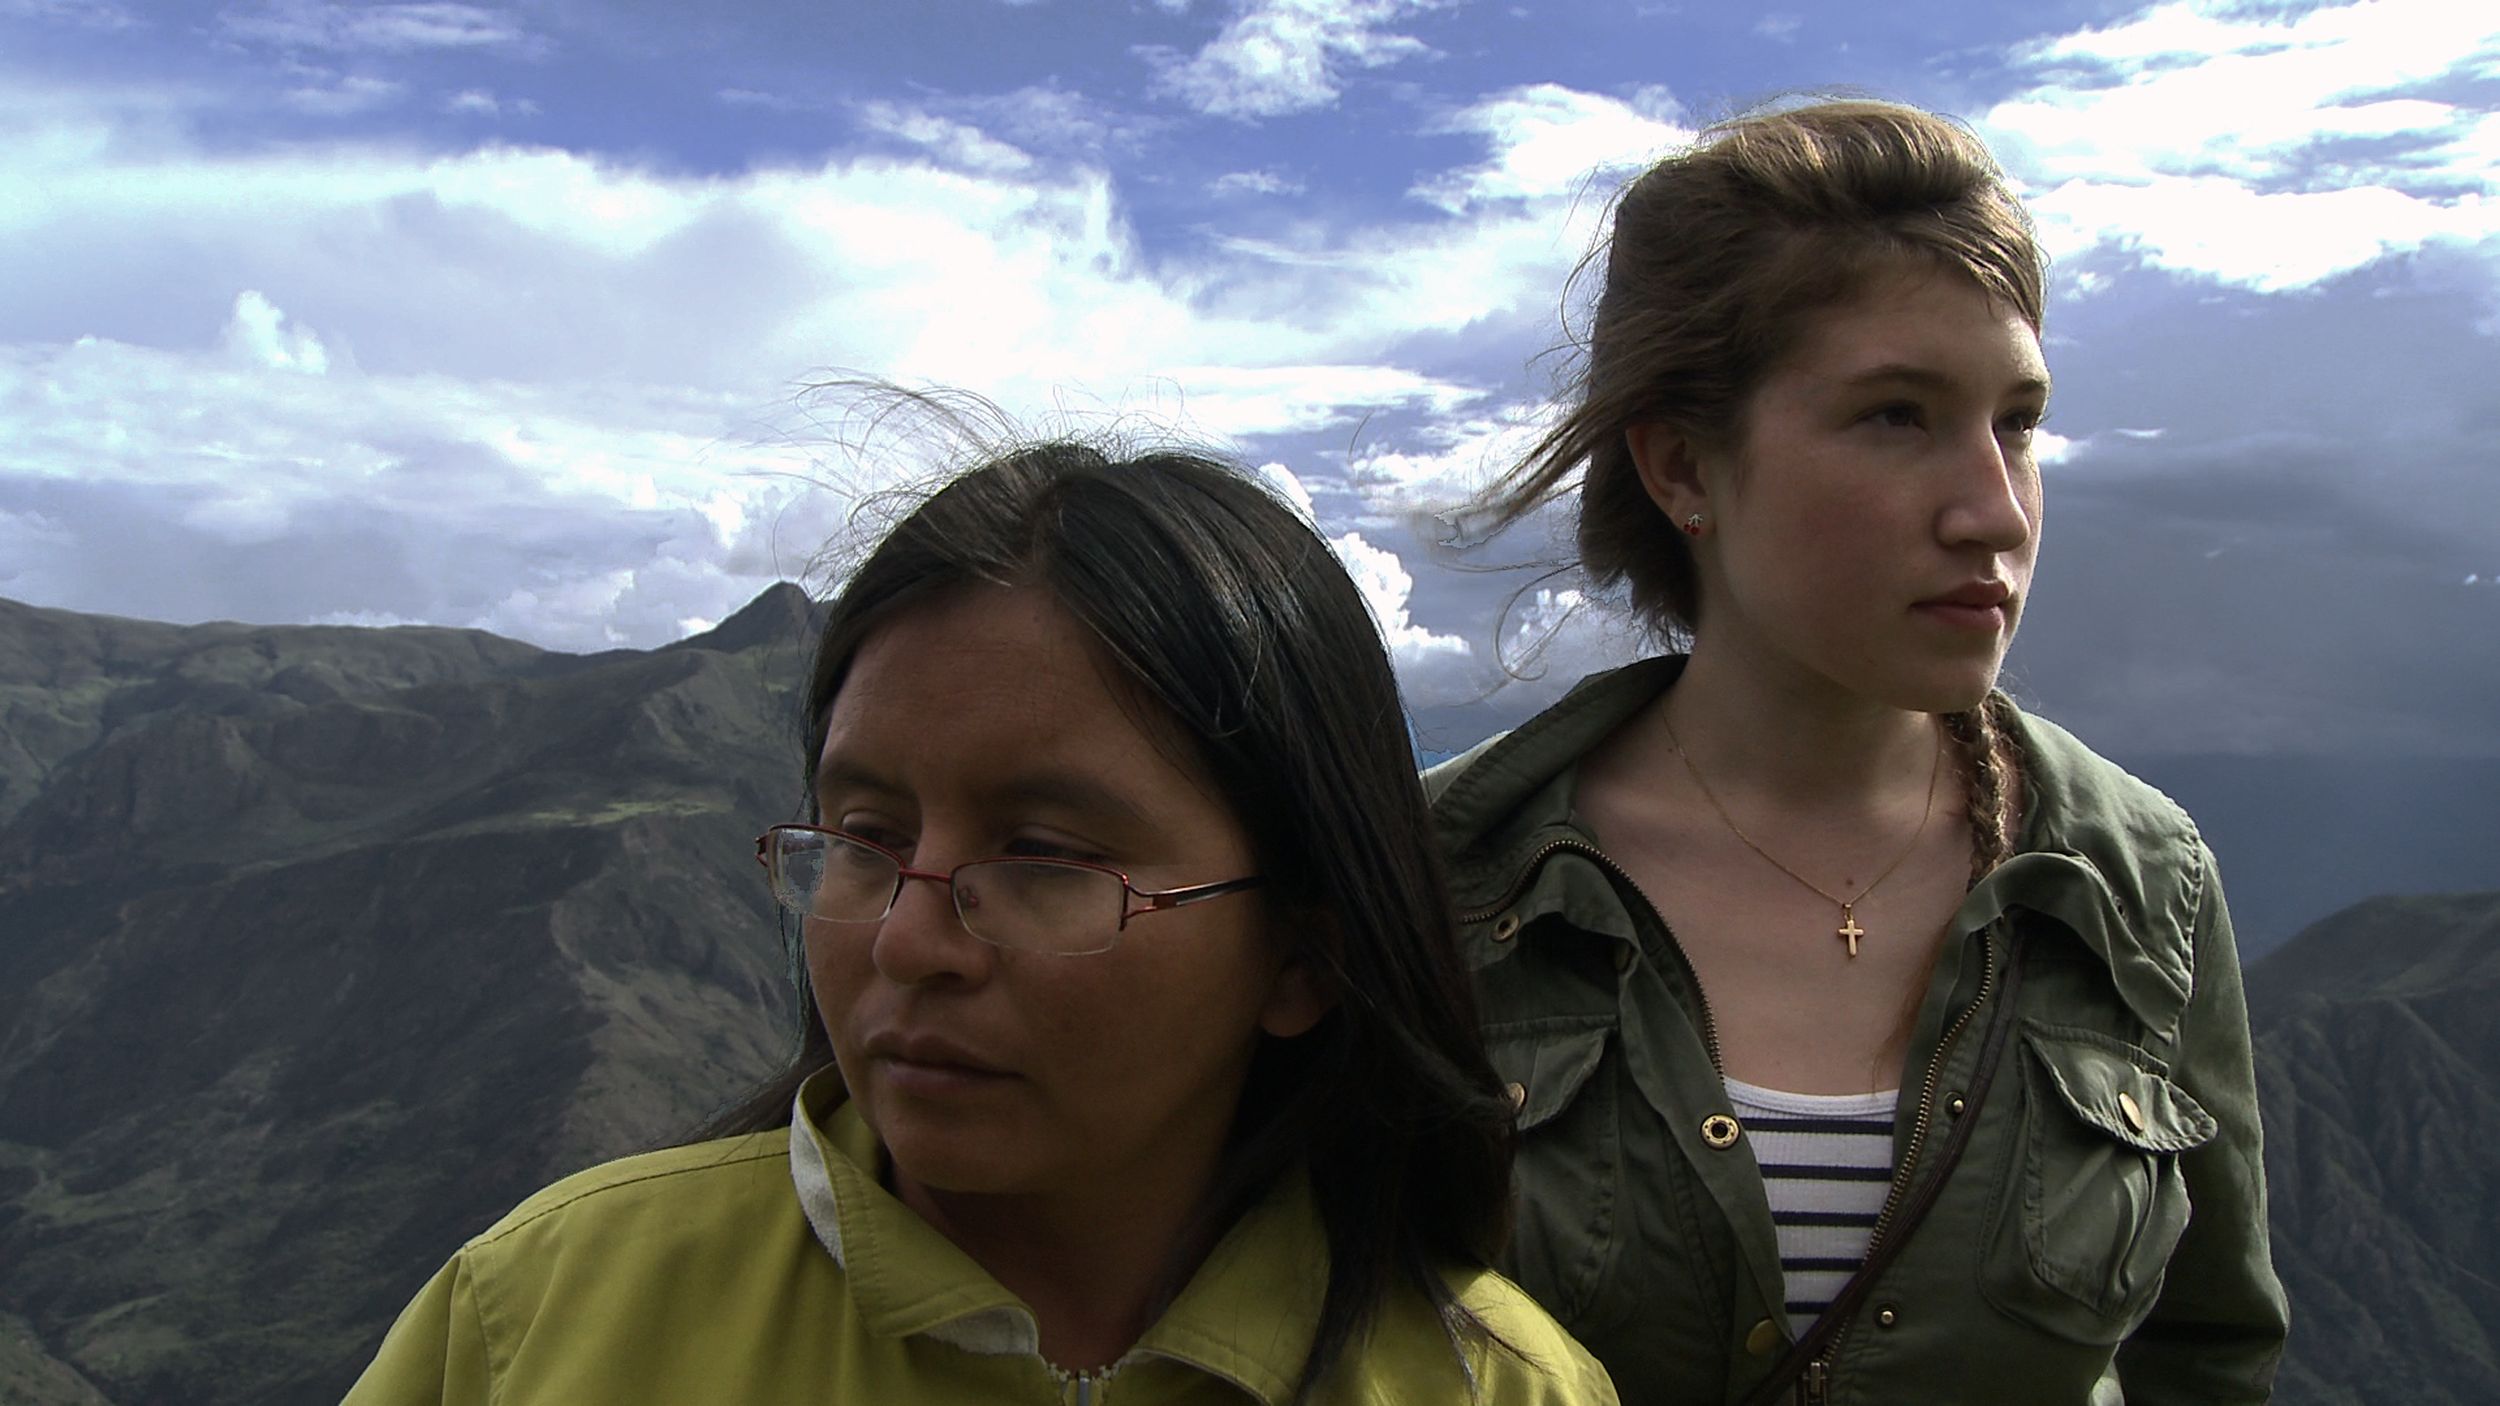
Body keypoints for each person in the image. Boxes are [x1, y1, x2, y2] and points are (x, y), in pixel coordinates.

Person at [343, 434, 1618, 1405]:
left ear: (1305, 950)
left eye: (1045, 855)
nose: (906, 939)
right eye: (863, 838)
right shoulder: (540, 1325)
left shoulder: (1502, 1386)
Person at [1430, 100, 2289, 1403]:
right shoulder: (1448, 883)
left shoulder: (2137, 884)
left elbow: (2208, 1354)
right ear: (1681, 467)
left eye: (2018, 422)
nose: (1993, 511)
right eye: (1898, 415)